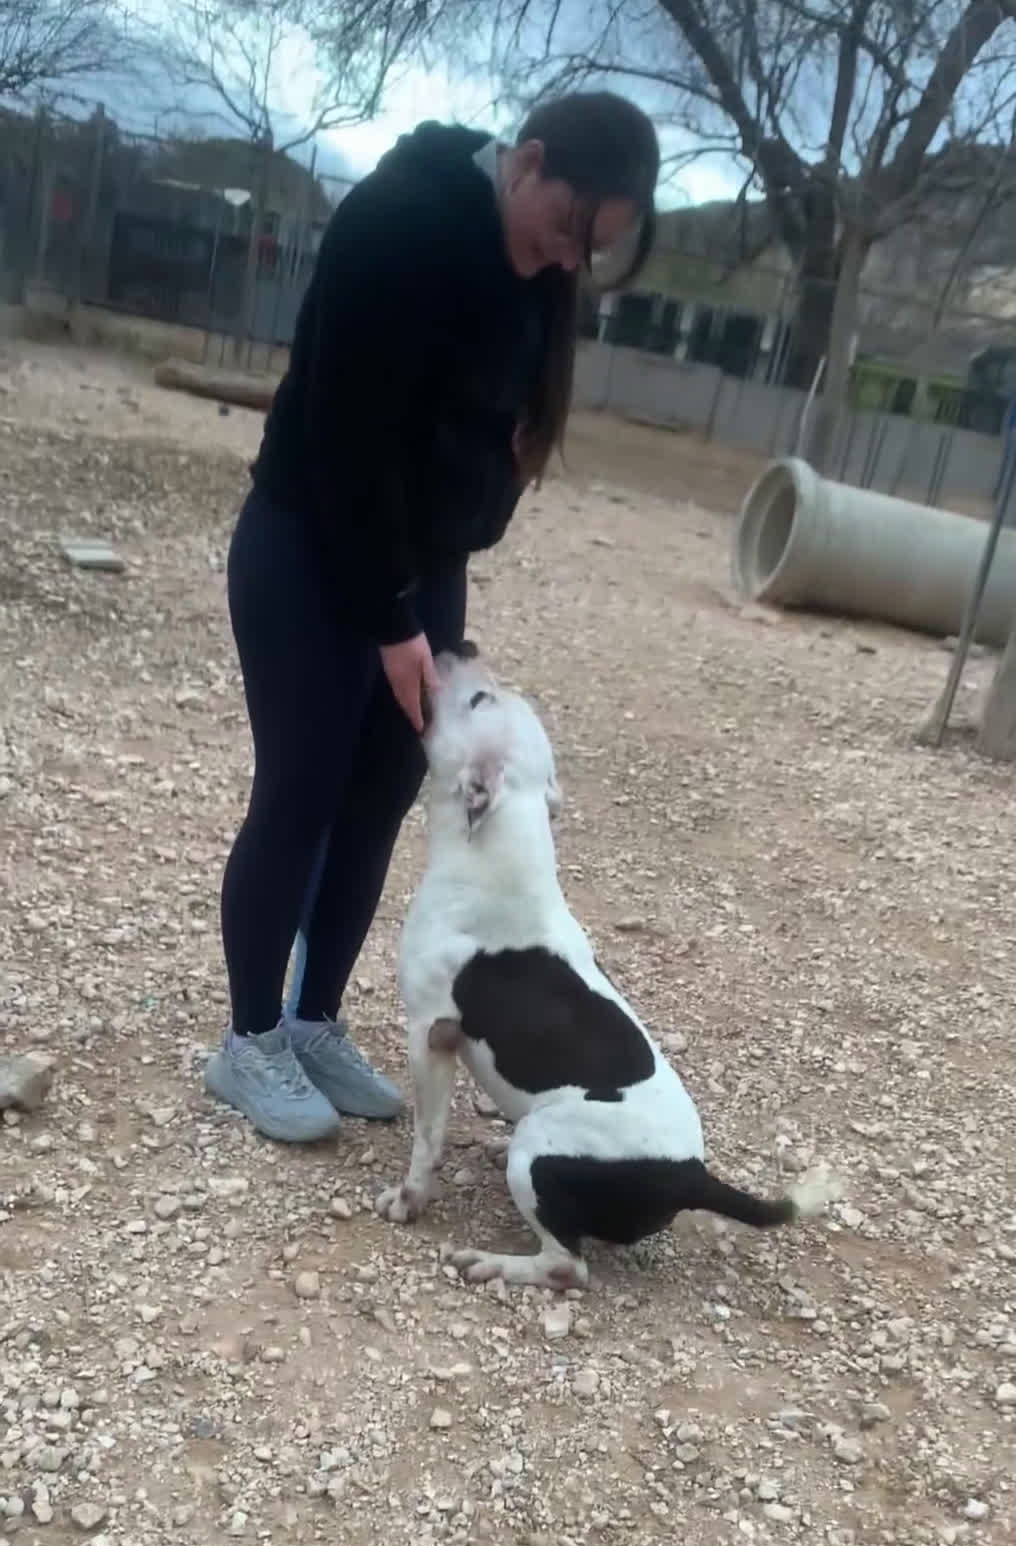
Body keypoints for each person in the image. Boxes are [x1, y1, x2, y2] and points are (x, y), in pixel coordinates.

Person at [204, 90, 661, 1144]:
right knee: (301, 790)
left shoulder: (536, 275)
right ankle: (249, 1037)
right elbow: (347, 441)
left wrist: (449, 555)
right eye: (567, 228)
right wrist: (390, 615)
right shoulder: (398, 223)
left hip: (420, 569)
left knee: (379, 797)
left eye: (588, 251)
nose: (566, 260)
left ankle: (313, 1020)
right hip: (309, 548)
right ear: (527, 161)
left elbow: (490, 433)